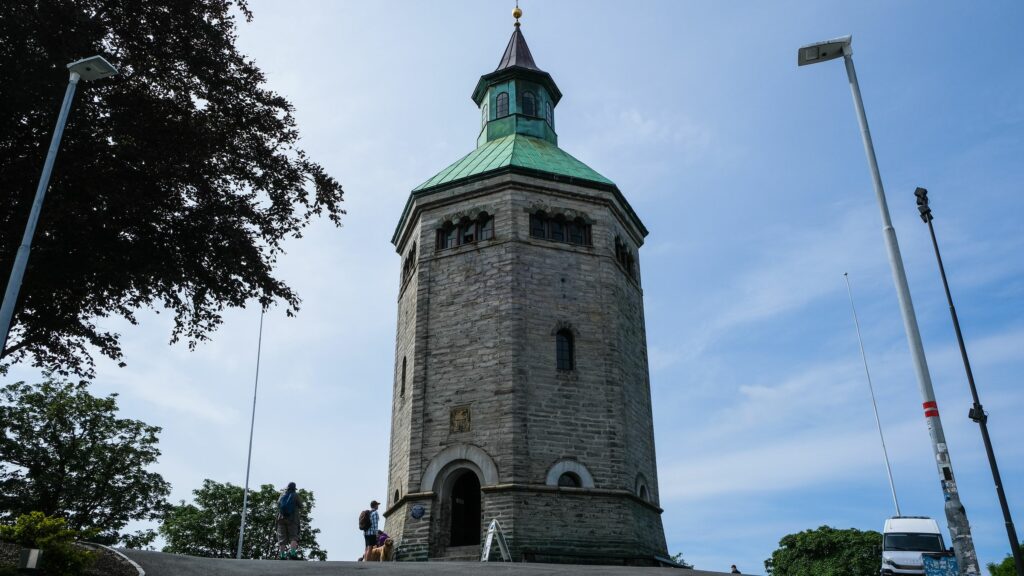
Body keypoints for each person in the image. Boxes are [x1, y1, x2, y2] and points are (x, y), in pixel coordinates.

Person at [276, 482, 302, 560]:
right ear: (294, 488)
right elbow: (301, 505)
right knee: (293, 537)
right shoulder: (295, 495)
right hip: (292, 519)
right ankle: (293, 554)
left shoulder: (282, 494)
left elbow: (278, 504)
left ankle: (282, 555)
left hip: (281, 519)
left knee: (282, 538)